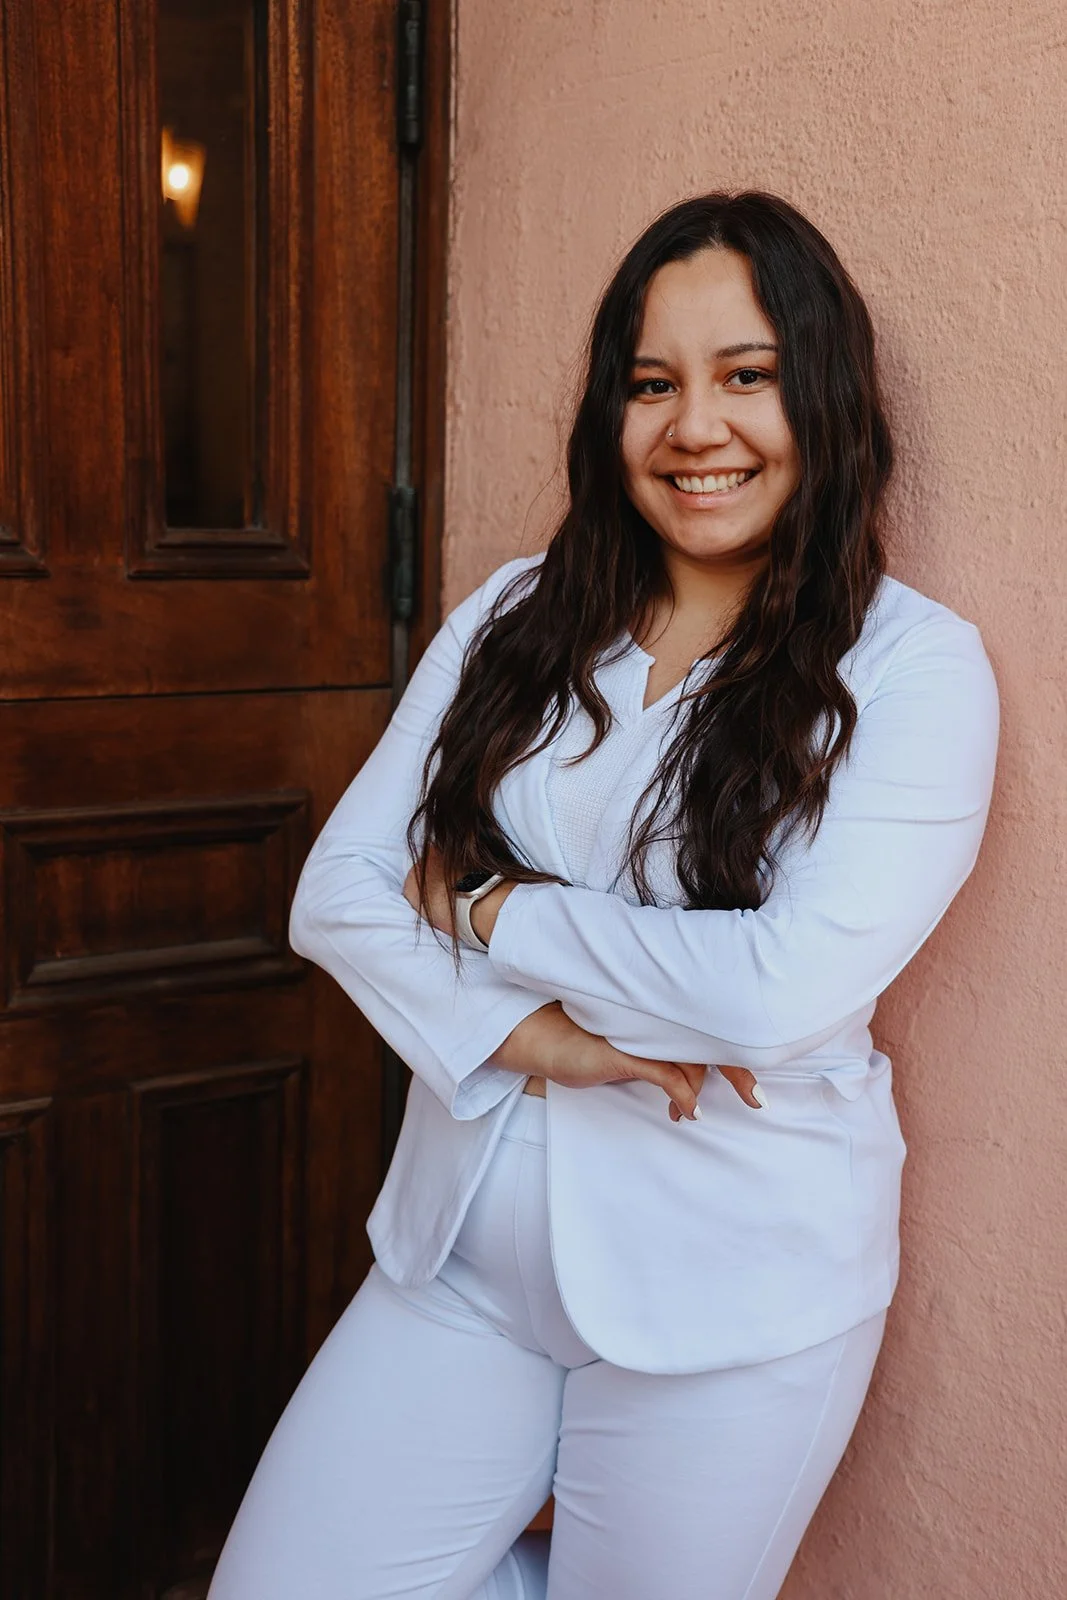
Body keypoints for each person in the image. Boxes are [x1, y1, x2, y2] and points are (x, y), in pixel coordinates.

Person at [207, 192, 999, 1600]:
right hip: (455, 1262)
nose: (695, 427)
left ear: (820, 395)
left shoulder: (915, 671)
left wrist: (486, 909)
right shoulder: (519, 615)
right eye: (652, 384)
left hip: (734, 1301)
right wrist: (529, 1036)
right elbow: (332, 895)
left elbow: (777, 995)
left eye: (744, 376)